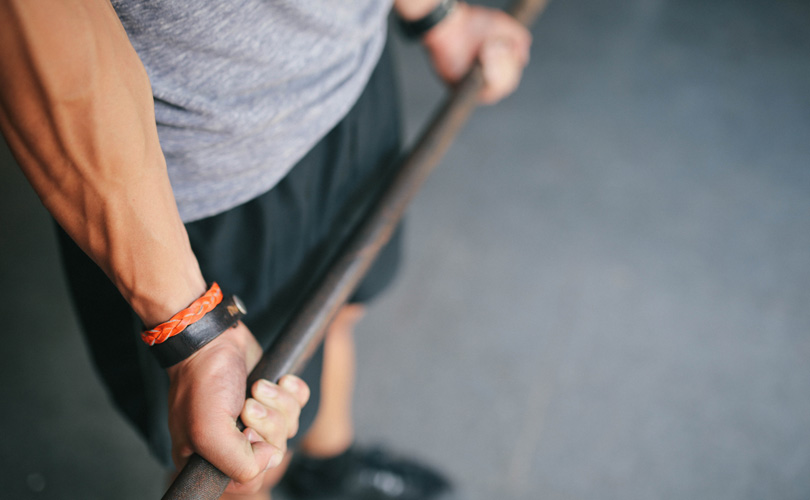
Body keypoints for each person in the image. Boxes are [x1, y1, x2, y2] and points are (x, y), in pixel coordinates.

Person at [0, 0, 530, 498]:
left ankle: (326, 469)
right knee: (239, 460)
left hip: (348, 76)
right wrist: (191, 330)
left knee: (340, 309)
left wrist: (436, 13)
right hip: (194, 169)